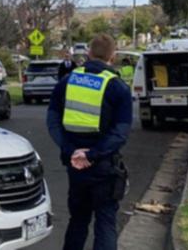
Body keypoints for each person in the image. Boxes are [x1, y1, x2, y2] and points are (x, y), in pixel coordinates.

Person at [46, 34, 132, 250]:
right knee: (105, 224)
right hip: (104, 167)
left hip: (75, 168)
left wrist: (71, 150)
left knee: (78, 221)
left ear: (89, 53)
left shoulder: (67, 81)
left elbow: (53, 121)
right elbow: (120, 132)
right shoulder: (117, 87)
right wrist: (92, 154)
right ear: (113, 56)